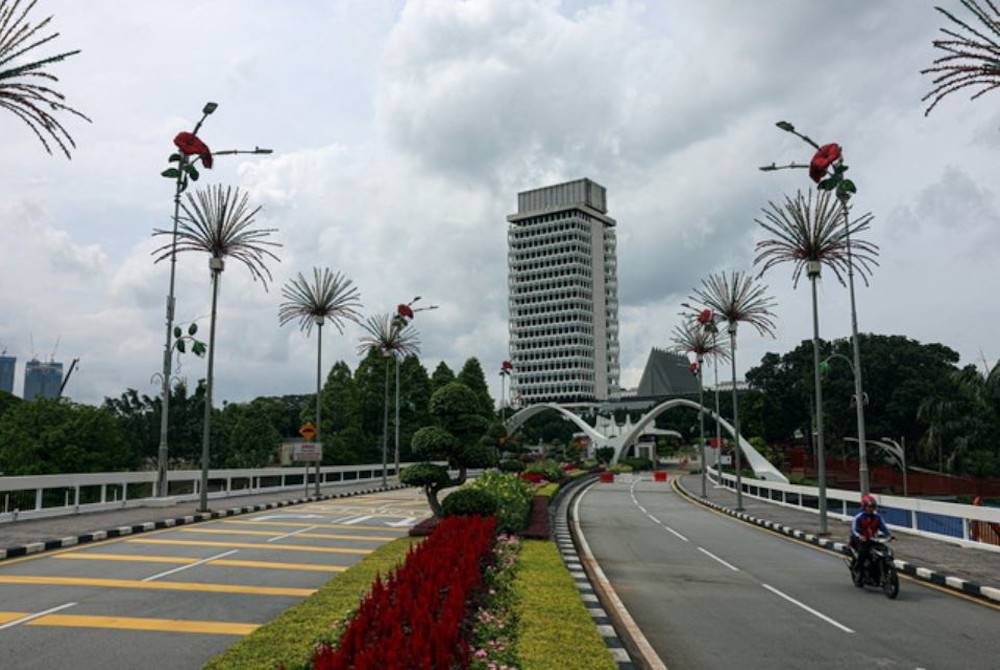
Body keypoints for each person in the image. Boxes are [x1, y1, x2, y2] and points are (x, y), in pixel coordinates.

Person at [849, 494, 894, 574]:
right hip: (860, 540)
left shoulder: (877, 517)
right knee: (863, 552)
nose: (871, 509)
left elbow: (884, 528)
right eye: (869, 507)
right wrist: (860, 536)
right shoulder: (859, 517)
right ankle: (858, 568)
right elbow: (854, 530)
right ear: (864, 507)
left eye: (873, 507)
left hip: (873, 539)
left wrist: (889, 535)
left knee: (887, 550)